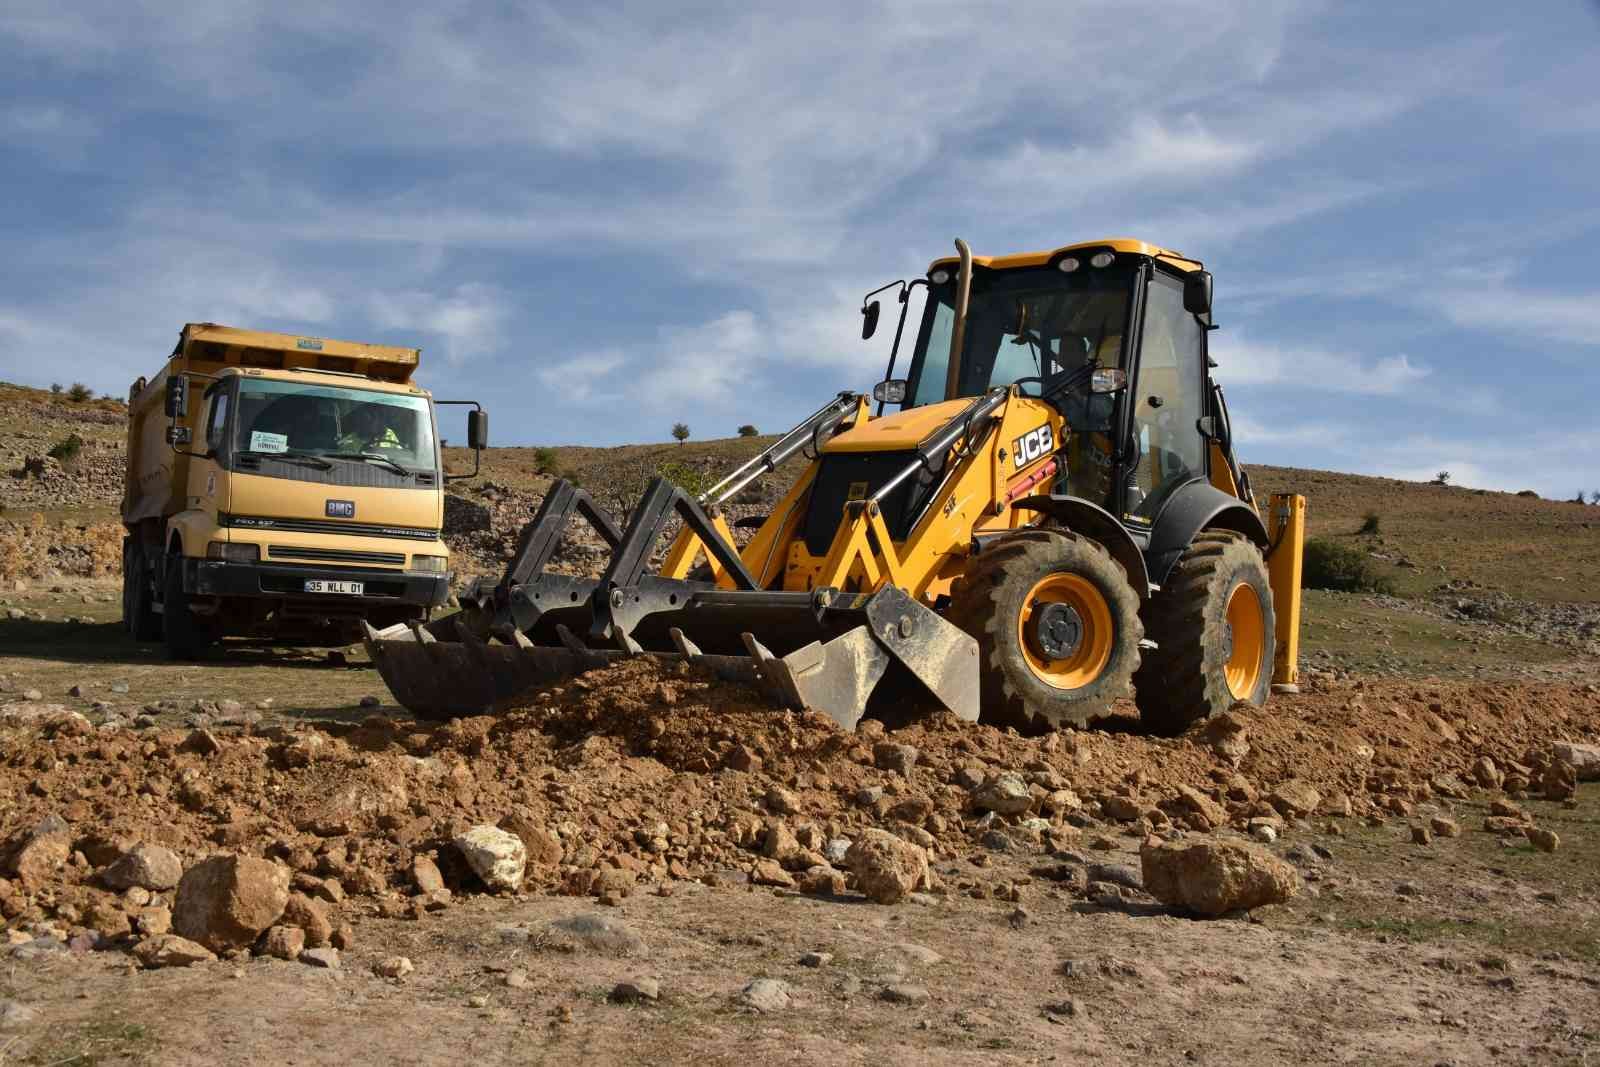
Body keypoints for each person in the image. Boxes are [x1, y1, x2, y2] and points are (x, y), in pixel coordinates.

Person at [337, 404, 404, 452]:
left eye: (376, 416)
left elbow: (400, 454)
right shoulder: (351, 441)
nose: (373, 421)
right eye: (369, 418)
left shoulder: (389, 435)